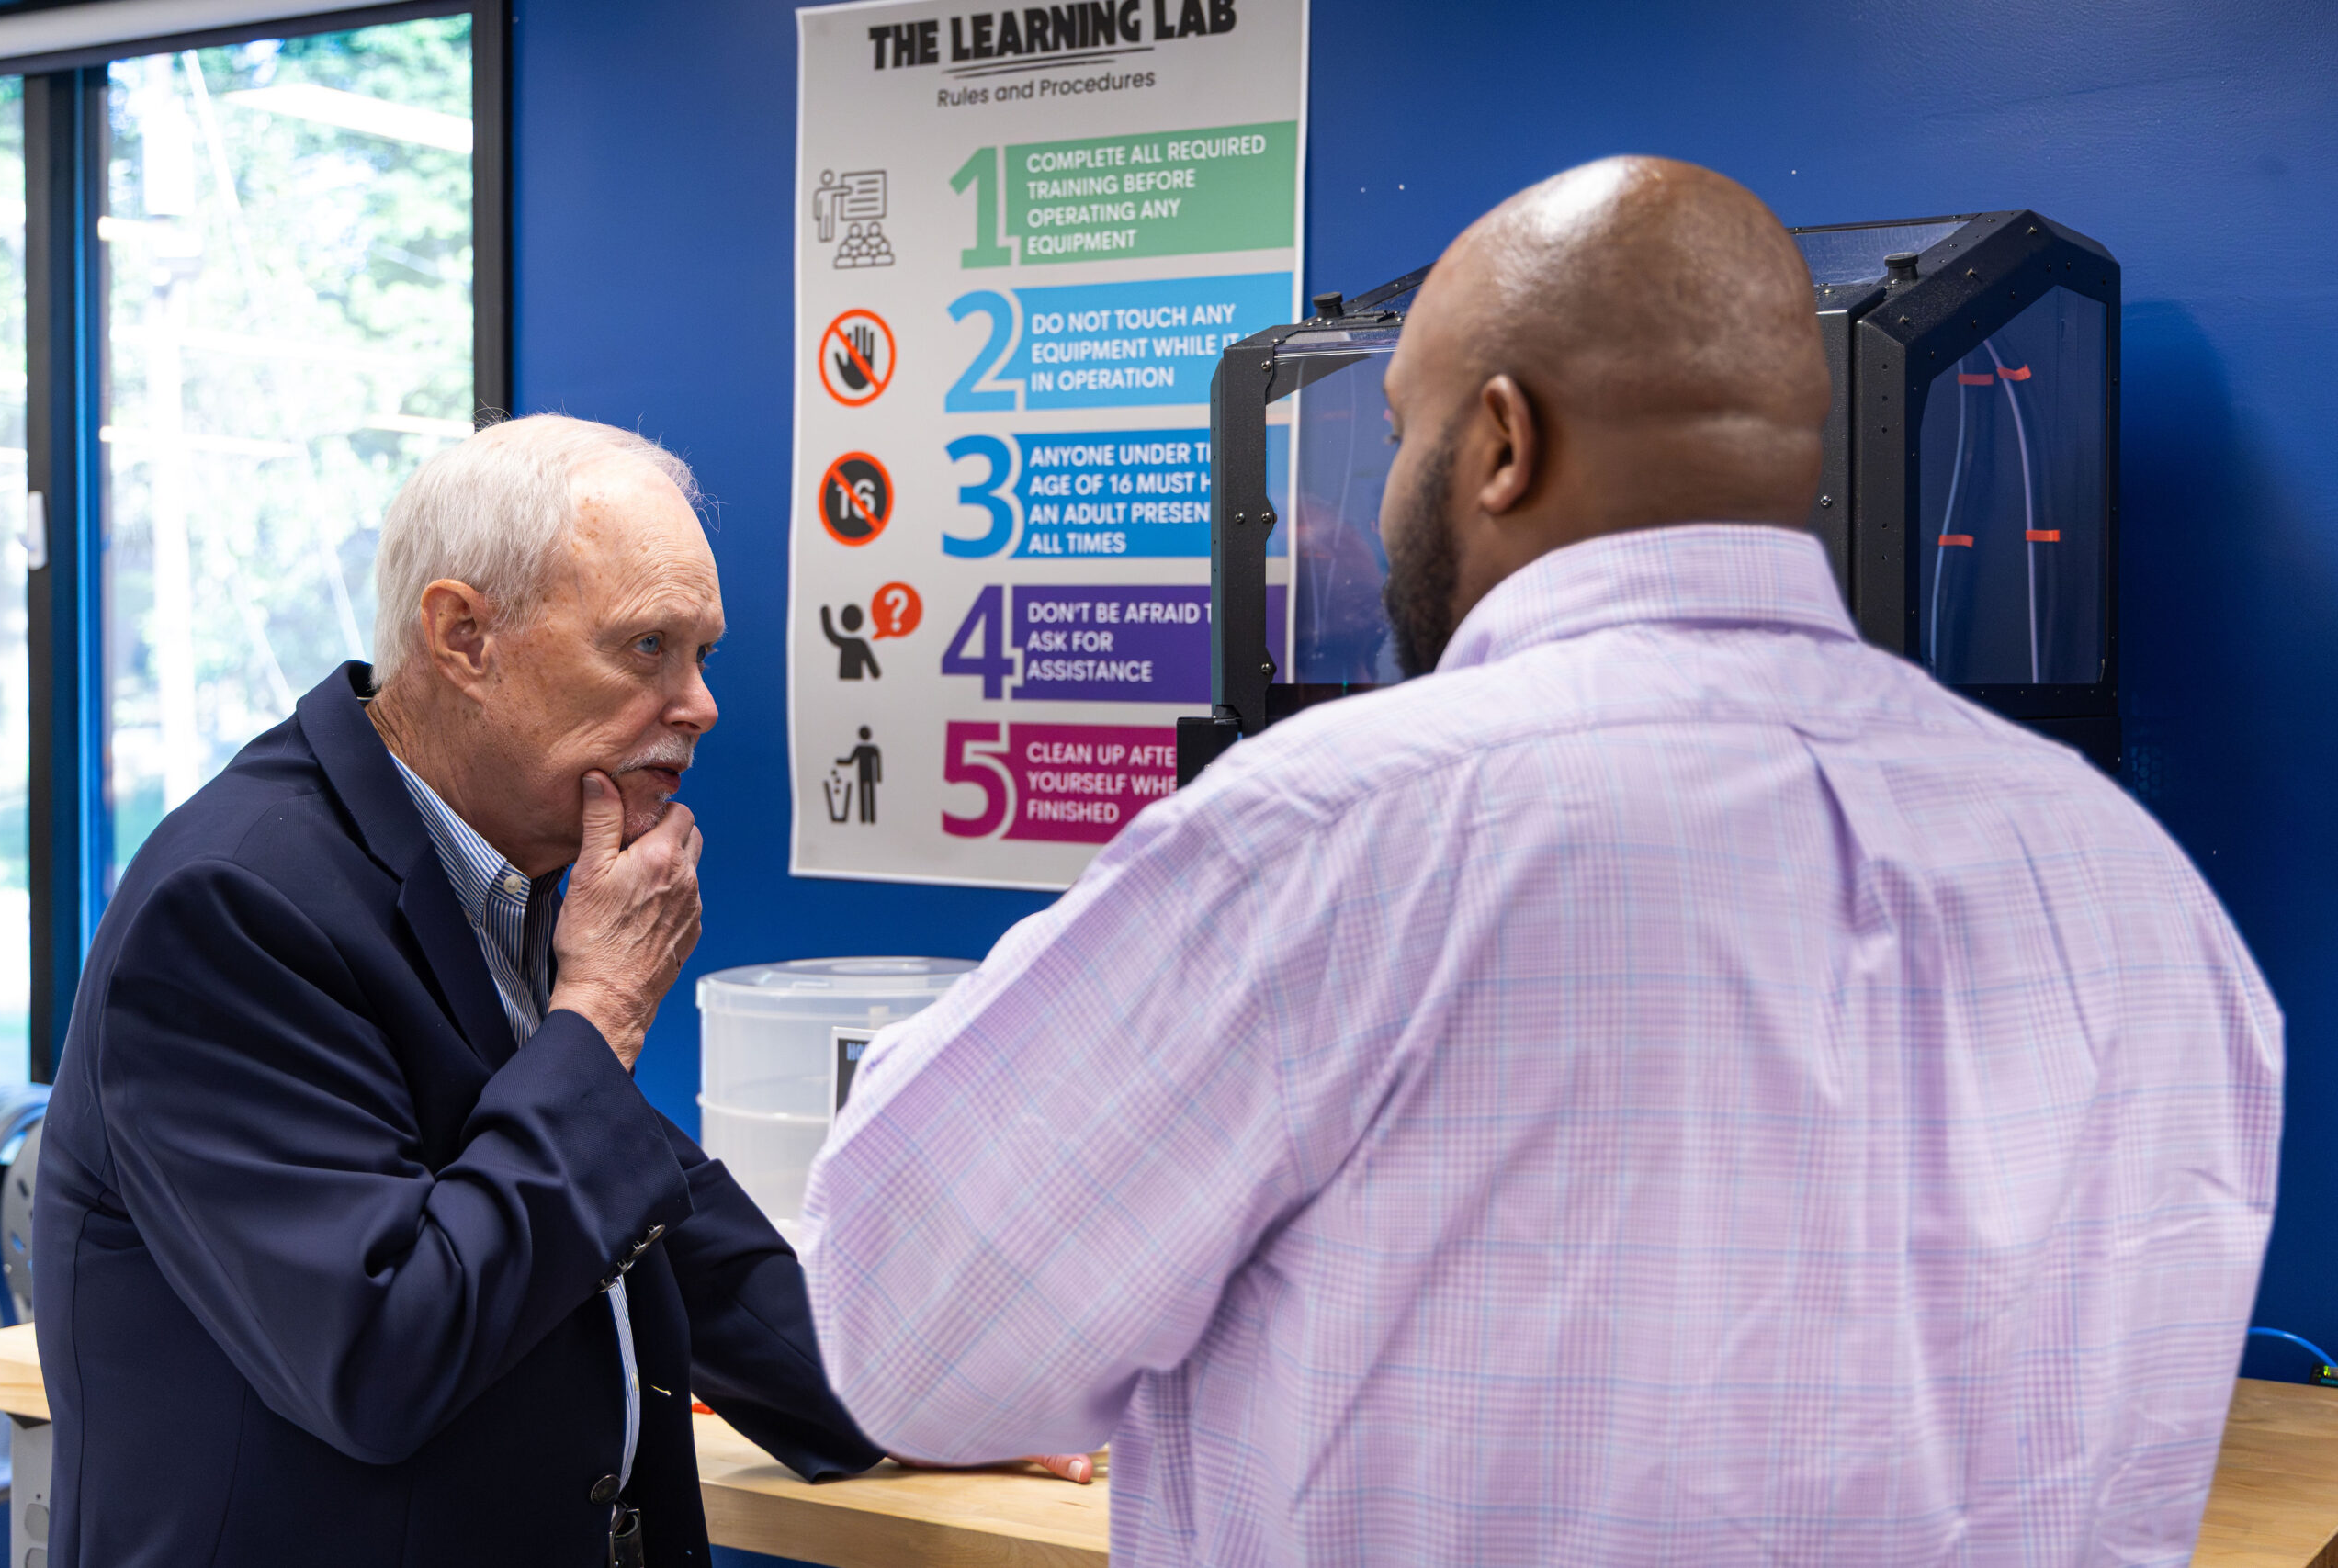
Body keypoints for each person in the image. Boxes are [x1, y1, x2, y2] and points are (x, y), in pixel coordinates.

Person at [801, 158, 2283, 1565]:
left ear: (1503, 443)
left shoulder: (1332, 836)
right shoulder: (2140, 890)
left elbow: (908, 1341)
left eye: (1393, 433)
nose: (1380, 503)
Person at [32, 414, 1078, 1568]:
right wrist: (603, 1011)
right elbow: (379, 1355)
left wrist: (915, 1399)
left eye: (702, 654)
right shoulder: (234, 907)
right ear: (463, 636)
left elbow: (651, 1219)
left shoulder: (489, 859)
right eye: (645, 649)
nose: (699, 704)